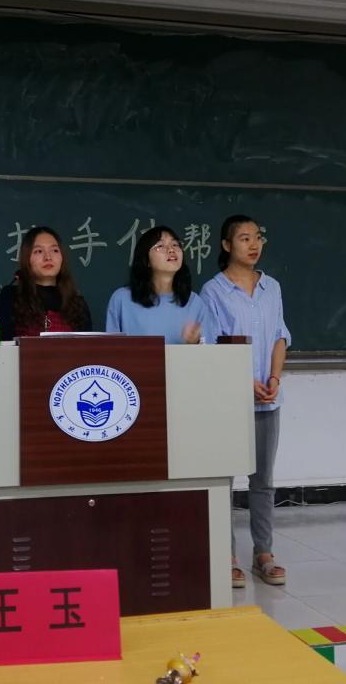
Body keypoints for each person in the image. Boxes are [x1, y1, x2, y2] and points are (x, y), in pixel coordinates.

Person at [200, 214, 290, 589]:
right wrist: (244, 381)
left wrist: (274, 379)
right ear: (226, 246)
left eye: (257, 237)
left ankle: (263, 553)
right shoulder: (213, 291)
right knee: (224, 482)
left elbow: (280, 337)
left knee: (263, 481)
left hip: (268, 398)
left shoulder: (272, 287)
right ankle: (227, 557)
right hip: (230, 400)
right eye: (243, 238)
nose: (253, 245)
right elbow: (213, 344)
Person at [105, 225, 215, 344]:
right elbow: (111, 350)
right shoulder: (122, 299)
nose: (171, 250)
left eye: (175, 244)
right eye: (161, 246)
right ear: (146, 260)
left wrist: (194, 344)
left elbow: (209, 352)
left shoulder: (195, 303)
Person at [0, 226, 92, 339]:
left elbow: (88, 347)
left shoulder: (77, 304)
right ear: (27, 259)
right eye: (39, 251)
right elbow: (2, 344)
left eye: (54, 250)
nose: (48, 257)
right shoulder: (11, 297)